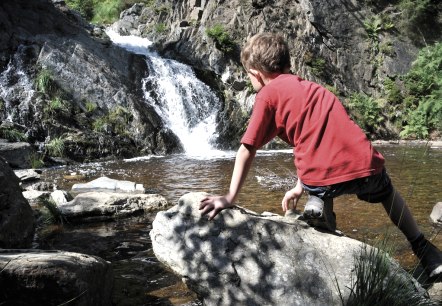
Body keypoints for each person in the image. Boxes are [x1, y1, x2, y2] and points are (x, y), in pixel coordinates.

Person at [199, 32, 442, 280]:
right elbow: (316, 140)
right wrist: (297, 187)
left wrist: (229, 197)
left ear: (255, 73)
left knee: (321, 184)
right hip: (366, 164)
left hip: (321, 178)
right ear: (286, 65)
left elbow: (247, 148)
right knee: (388, 193)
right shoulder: (313, 88)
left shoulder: (267, 95)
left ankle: (317, 205)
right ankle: (425, 250)